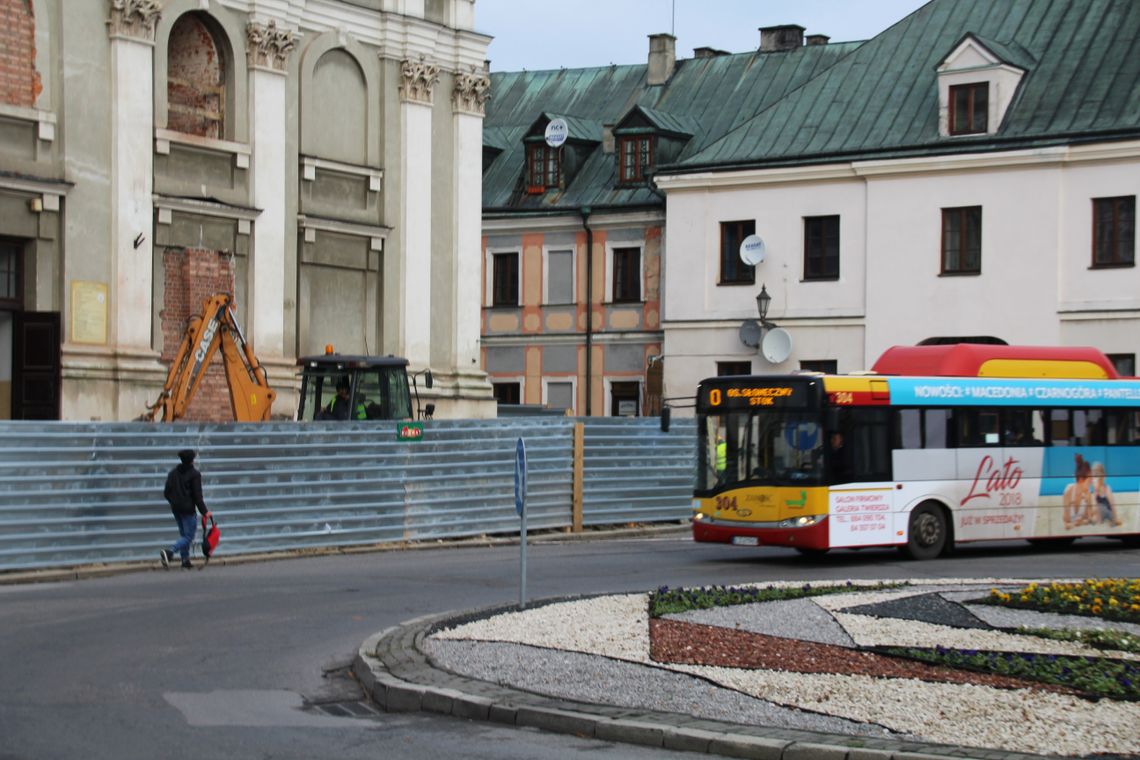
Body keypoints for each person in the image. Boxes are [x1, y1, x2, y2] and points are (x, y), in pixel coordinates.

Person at [161, 449, 209, 569]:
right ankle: (170, 552)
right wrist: (205, 512)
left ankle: (185, 560)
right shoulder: (194, 474)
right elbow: (198, 497)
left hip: (176, 509)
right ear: (192, 460)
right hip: (188, 510)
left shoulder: (173, 473)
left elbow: (166, 492)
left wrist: (174, 502)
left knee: (183, 535)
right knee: (188, 536)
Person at [1062, 454, 1093, 529]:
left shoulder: (1088, 494)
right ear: (1081, 479)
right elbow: (1066, 519)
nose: (1091, 482)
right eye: (1090, 479)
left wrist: (1082, 521)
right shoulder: (1068, 491)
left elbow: (1089, 518)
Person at [1091, 461, 1123, 527]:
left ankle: (1112, 520)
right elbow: (1095, 505)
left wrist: (1115, 519)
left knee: (1113, 520)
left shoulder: (1107, 489)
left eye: (1095, 478)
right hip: (1100, 511)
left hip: (1109, 511)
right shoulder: (1095, 490)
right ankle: (1100, 520)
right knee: (1094, 515)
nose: (1093, 481)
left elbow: (1112, 505)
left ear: (1101, 478)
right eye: (1092, 478)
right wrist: (1098, 521)